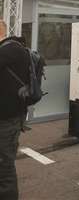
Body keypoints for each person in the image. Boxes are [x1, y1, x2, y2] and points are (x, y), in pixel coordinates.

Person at [0, 20, 31, 199]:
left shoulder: (11, 49)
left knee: (4, 168)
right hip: (8, 118)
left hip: (7, 121)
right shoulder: (10, 49)